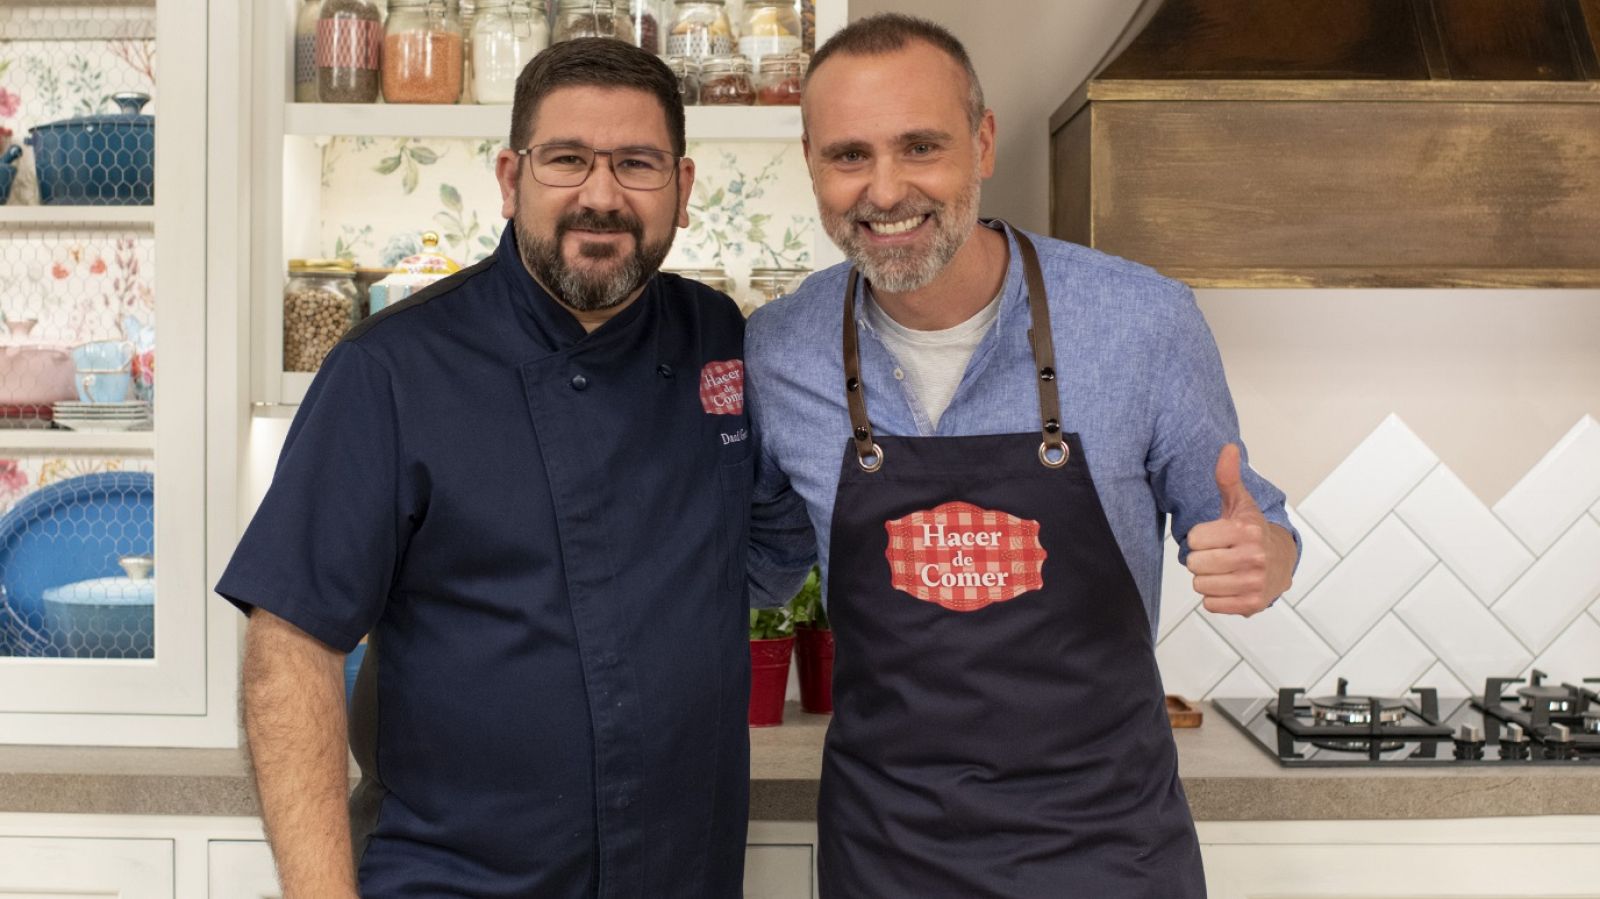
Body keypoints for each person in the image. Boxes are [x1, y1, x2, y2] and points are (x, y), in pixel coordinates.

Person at [744, 14, 1301, 898]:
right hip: (889, 855)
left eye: (920, 145)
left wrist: (1263, 556)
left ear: (983, 142)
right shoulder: (779, 351)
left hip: (1108, 851)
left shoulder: (1142, 322)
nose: (885, 190)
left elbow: (1249, 521)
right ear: (811, 162)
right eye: (849, 155)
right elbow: (756, 567)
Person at [217, 39, 757, 898]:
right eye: (567, 160)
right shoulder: (389, 370)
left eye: (638, 163)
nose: (602, 195)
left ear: (683, 190)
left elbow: (764, 544)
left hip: (679, 873)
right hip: (455, 880)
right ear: (510, 179)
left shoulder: (719, 338)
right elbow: (290, 646)